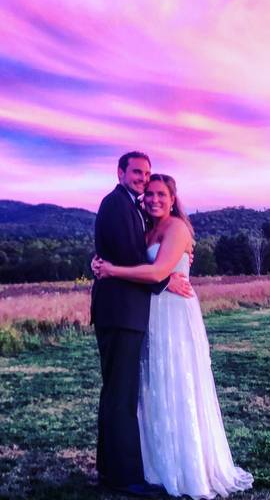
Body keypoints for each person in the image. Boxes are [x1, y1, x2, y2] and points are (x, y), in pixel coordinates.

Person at [93, 174, 254, 499]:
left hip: (175, 315)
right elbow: (126, 252)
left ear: (172, 197)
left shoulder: (177, 228)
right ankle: (154, 465)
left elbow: (155, 272)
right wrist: (99, 261)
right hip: (150, 314)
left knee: (178, 382)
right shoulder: (145, 228)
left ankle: (187, 468)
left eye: (160, 194)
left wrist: (110, 270)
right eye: (149, 194)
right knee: (154, 385)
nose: (153, 199)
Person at [91, 152, 193, 497]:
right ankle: (121, 478)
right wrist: (164, 282)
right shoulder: (118, 204)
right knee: (120, 395)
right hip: (121, 314)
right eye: (136, 172)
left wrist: (165, 276)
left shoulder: (134, 210)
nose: (142, 179)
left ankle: (112, 470)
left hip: (129, 314)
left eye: (146, 174)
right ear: (120, 172)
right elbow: (129, 258)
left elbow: (121, 255)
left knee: (119, 393)